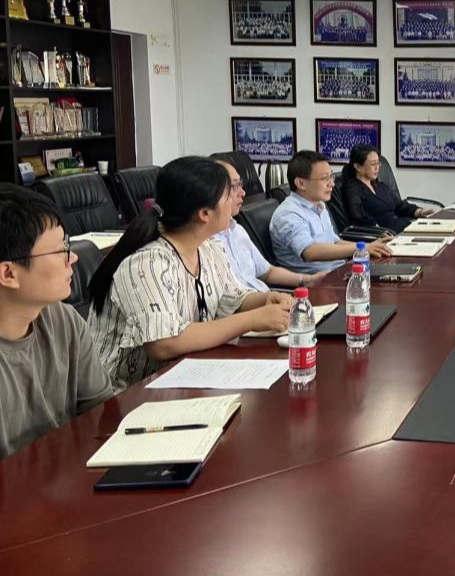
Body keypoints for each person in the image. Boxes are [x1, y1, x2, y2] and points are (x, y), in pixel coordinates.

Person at [88, 157, 295, 392]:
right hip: (126, 395)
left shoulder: (208, 248)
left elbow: (231, 297)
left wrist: (264, 300)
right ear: (204, 213)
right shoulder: (147, 264)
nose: (236, 199)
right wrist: (252, 320)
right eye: (227, 196)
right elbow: (164, 343)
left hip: (184, 377)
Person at [0, 185, 112, 459]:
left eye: (67, 244)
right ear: (8, 273)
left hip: (70, 472)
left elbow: (100, 414)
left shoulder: (63, 320)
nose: (72, 257)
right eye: (60, 250)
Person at [212, 160, 329, 291]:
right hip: (259, 301)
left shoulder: (237, 230)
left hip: (267, 297)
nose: (243, 192)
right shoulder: (206, 246)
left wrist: (308, 280)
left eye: (240, 184)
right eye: (234, 186)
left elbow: (267, 272)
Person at [270, 150, 392, 274]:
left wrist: (371, 246)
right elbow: (310, 252)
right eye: (324, 179)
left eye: (331, 177)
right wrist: (362, 248)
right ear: (301, 183)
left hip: (340, 269)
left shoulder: (319, 205)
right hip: (319, 279)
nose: (332, 184)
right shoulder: (288, 214)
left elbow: (335, 242)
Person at [342, 144, 438, 233]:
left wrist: (420, 212)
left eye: (378, 163)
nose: (377, 168)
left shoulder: (380, 186)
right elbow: (358, 216)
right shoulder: (352, 189)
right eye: (373, 164)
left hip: (401, 226)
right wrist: (377, 230)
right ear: (358, 167)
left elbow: (400, 205)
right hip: (385, 234)